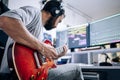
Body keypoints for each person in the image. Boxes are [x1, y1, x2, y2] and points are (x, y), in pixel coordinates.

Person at [0, 0, 84, 80]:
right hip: (14, 75)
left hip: (29, 75)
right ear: (55, 12)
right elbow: (5, 21)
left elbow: (41, 63)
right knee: (76, 69)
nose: (56, 26)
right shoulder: (35, 13)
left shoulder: (40, 33)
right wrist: (42, 47)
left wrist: (57, 56)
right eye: (59, 21)